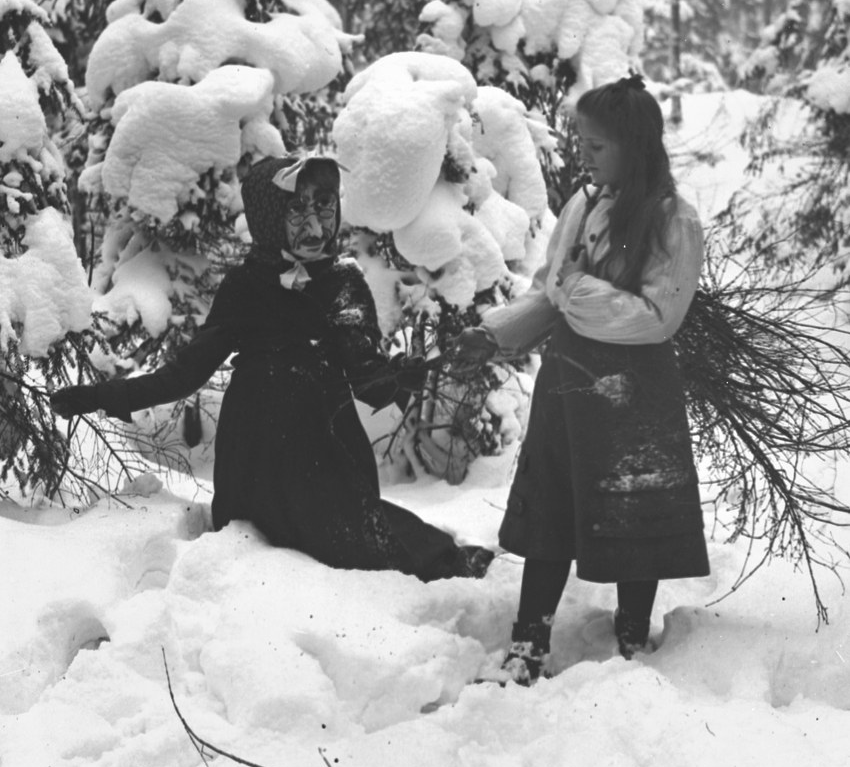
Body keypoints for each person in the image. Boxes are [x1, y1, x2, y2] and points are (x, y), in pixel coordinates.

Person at [51, 154, 492, 581]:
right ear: (268, 216)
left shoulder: (344, 282)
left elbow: (367, 379)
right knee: (318, 536)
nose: (316, 226)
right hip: (258, 457)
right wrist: (102, 396)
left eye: (325, 206)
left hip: (329, 448)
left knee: (355, 534)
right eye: (297, 210)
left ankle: (441, 560)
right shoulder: (247, 284)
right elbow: (185, 374)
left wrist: (399, 374)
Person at [453, 75, 709, 683]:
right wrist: (496, 332)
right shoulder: (584, 204)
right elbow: (550, 291)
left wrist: (575, 289)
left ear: (634, 145)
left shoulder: (675, 222)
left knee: (630, 514)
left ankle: (631, 639)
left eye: (596, 146)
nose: (584, 156)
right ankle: (527, 641)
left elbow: (656, 317)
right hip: (568, 387)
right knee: (551, 509)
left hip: (632, 394)